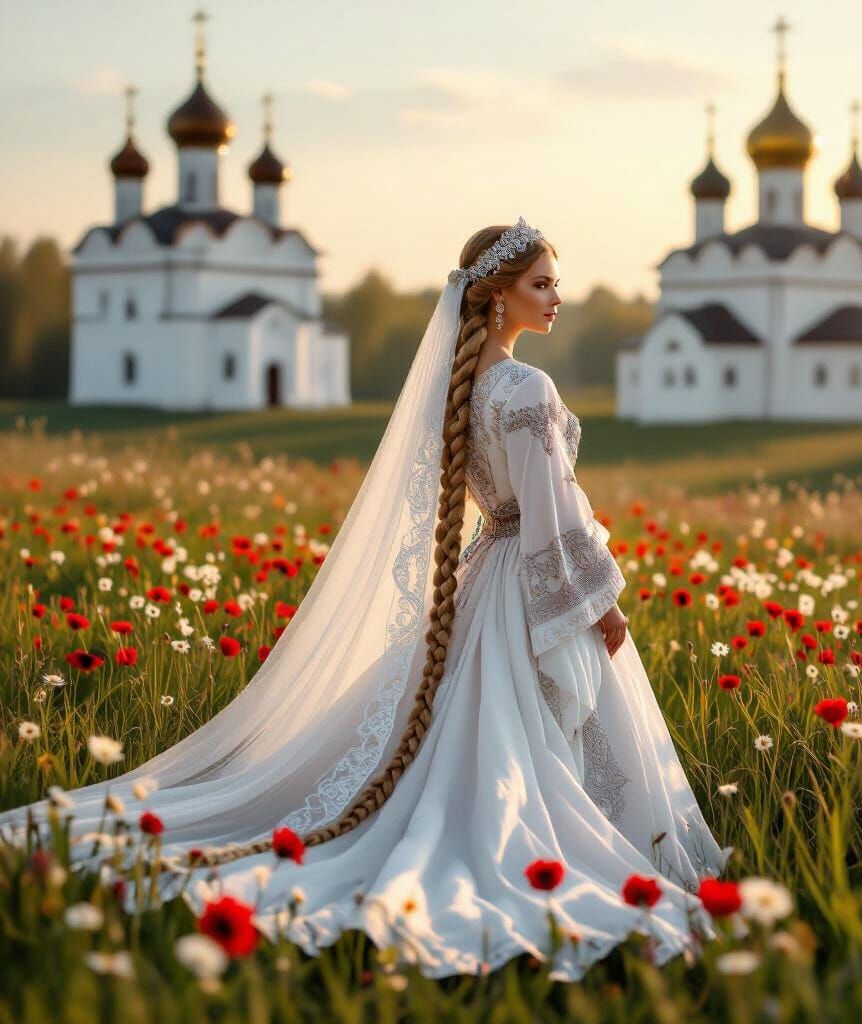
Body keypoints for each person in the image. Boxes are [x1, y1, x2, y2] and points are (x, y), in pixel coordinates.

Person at [0, 218, 732, 981]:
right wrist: (598, 606)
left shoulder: (469, 389)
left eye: (555, 282)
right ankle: (587, 852)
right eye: (540, 284)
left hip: (489, 572)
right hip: (527, 578)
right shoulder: (524, 388)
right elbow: (553, 516)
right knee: (531, 730)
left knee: (475, 723)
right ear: (495, 299)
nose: (557, 298)